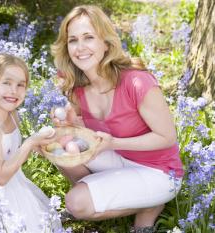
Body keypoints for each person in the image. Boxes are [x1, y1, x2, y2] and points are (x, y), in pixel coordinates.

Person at [50, 5, 183, 233]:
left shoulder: (136, 82)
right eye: (73, 40)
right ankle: (107, 194)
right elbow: (82, 125)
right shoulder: (78, 87)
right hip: (118, 158)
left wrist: (114, 143)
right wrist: (68, 123)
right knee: (59, 148)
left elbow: (167, 137)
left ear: (106, 43)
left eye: (88, 37)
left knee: (75, 203)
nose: (80, 48)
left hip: (158, 171)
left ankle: (151, 203)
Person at [0, 53, 60, 232]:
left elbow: (10, 152)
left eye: (20, 85)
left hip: (15, 185)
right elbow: (0, 177)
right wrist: (30, 143)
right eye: (6, 83)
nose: (13, 91)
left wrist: (41, 146)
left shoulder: (11, 113)